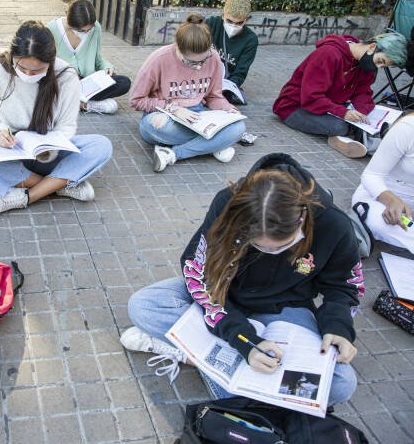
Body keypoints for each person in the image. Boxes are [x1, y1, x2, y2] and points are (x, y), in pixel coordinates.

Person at [122, 153, 363, 408]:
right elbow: (198, 271)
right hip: (224, 295)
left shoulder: (335, 224)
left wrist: (338, 327)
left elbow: (344, 287)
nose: (270, 253)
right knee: (143, 305)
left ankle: (197, 355)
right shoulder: (228, 203)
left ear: (301, 221)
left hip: (285, 310)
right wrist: (244, 339)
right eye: (257, 245)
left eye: (280, 246)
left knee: (341, 383)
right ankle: (226, 369)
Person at [0, 21, 112, 214]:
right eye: (22, 67)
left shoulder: (66, 75)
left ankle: (25, 197)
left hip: (47, 150)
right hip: (12, 151)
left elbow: (66, 127)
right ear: (12, 56)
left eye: (37, 71)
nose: (28, 74)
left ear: (51, 62)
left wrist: (48, 147)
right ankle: (60, 185)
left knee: (101, 146)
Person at [130, 13, 245, 172]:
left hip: (198, 118)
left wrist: (227, 109)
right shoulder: (159, 58)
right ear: (177, 48)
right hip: (165, 116)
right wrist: (173, 108)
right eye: (191, 61)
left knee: (238, 128)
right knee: (157, 127)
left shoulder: (214, 58)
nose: (198, 66)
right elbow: (136, 100)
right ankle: (212, 145)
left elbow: (213, 96)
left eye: (202, 61)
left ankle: (172, 153)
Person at [273, 31, 408, 158]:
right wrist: (344, 113)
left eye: (383, 66)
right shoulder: (328, 54)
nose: (378, 67)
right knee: (341, 126)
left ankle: (348, 139)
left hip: (327, 106)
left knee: (363, 118)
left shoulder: (366, 64)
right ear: (372, 47)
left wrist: (363, 113)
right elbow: (311, 97)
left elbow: (362, 93)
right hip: (294, 107)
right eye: (380, 61)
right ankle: (370, 143)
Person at [47, 0, 131, 114]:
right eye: (81, 30)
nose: (86, 33)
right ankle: (84, 104)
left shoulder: (95, 28)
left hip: (86, 82)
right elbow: (46, 62)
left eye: (89, 30)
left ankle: (74, 102)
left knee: (124, 82)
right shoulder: (52, 29)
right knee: (44, 87)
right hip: (62, 82)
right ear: (70, 23)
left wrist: (107, 67)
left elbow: (97, 58)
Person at [351, 115, 414, 253]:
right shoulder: (408, 128)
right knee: (379, 222)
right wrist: (391, 200)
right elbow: (371, 175)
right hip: (382, 198)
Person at [205, 0, 258, 105]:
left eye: (239, 23)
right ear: (223, 15)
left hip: (225, 82)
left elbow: (240, 73)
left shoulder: (250, 40)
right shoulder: (212, 24)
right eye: (229, 21)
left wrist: (226, 88)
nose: (233, 26)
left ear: (246, 20)